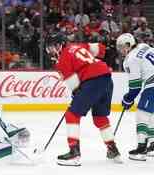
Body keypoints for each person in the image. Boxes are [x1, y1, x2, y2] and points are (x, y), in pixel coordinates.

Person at [45, 32, 121, 166]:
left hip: (92, 81)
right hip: (107, 78)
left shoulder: (63, 58)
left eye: (52, 47)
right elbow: (101, 49)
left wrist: (77, 95)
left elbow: (74, 85)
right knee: (100, 117)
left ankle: (74, 153)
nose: (50, 50)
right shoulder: (79, 46)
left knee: (72, 114)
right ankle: (113, 149)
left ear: (59, 45)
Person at [116, 33, 154, 161]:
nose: (120, 50)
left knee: (142, 114)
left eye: (121, 46)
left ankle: (141, 149)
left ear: (128, 45)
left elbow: (135, 87)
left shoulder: (130, 59)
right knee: (151, 114)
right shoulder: (143, 46)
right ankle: (153, 145)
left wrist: (127, 99)